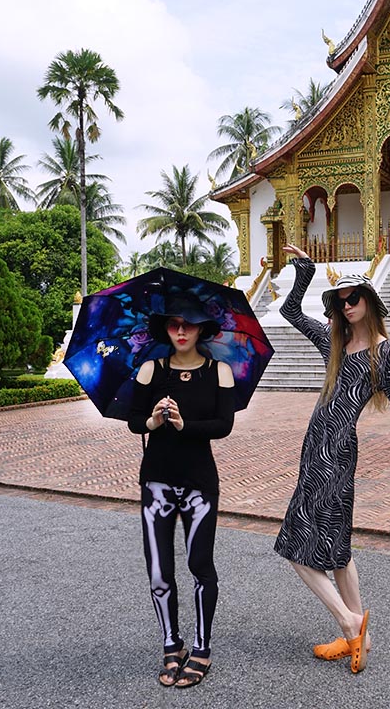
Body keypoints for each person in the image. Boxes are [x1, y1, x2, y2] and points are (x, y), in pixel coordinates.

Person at [274, 245, 390, 674]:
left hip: (338, 455)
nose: (347, 306)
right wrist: (306, 272)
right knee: (339, 549)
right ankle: (358, 640)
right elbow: (291, 312)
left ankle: (349, 621)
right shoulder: (336, 342)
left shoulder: (385, 354)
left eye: (355, 298)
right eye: (341, 301)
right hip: (314, 449)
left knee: (295, 547)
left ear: (370, 301)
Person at [128, 295, 235, 689]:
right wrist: (155, 421)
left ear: (202, 328)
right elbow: (134, 422)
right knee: (159, 572)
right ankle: (171, 646)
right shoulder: (150, 370)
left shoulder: (218, 371)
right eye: (174, 324)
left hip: (199, 484)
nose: (181, 331)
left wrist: (183, 425)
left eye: (189, 324)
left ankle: (201, 647)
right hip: (156, 481)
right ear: (165, 328)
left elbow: (223, 425)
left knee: (200, 566)